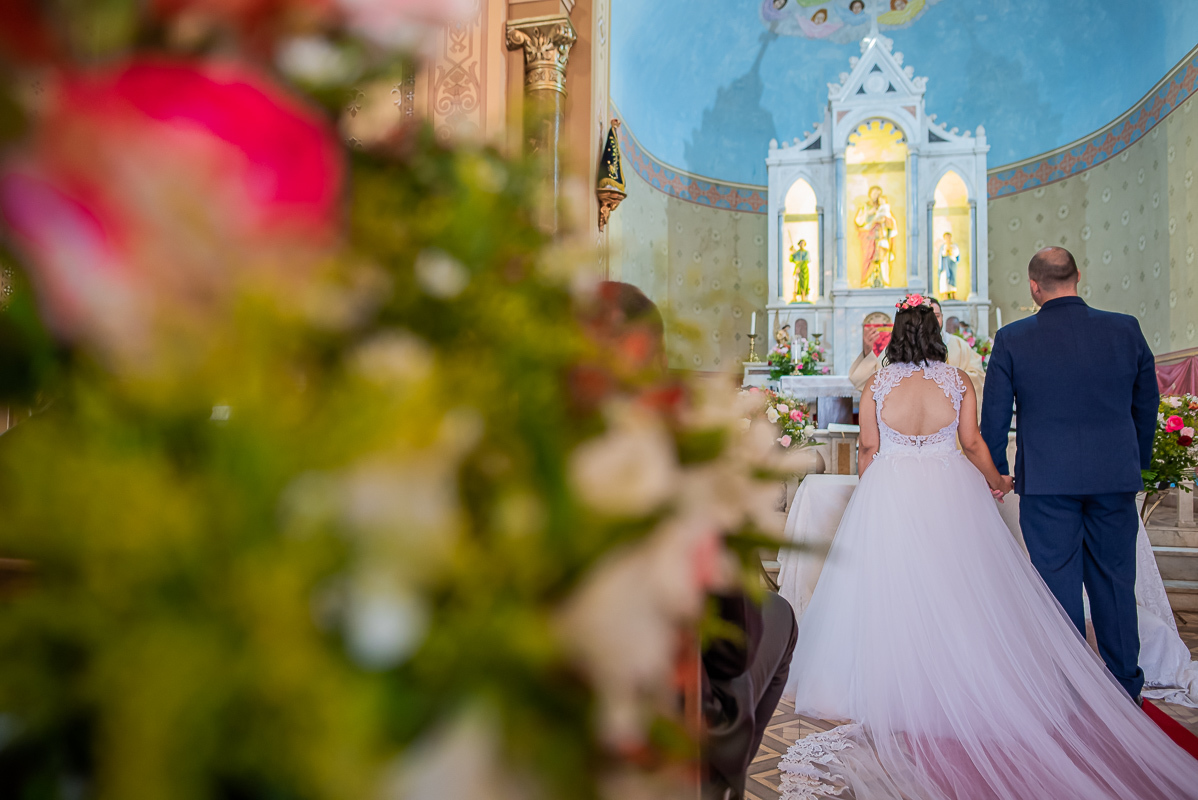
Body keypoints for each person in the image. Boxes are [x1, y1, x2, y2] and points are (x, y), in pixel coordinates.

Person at [779, 292, 1198, 799]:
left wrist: (875, 484)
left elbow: (868, 448)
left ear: (895, 334)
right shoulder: (956, 381)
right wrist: (997, 479)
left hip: (891, 488)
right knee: (958, 586)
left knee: (891, 585)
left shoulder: (876, 383)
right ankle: (961, 676)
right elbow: (973, 442)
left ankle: (890, 682)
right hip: (948, 488)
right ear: (936, 332)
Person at [981, 247, 1159, 703]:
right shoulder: (1125, 329)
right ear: (1078, 275)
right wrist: (1135, 461)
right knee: (1115, 583)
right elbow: (1147, 403)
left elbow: (995, 416)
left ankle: (1067, 693)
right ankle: (1126, 688)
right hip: (1113, 477)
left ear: (1033, 287)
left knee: (1056, 587)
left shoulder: (1012, 338)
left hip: (1047, 481)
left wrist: (998, 472)